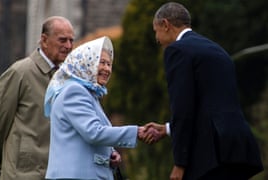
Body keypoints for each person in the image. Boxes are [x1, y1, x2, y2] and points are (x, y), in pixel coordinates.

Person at [143, 2, 264, 180]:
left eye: (156, 30)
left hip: (209, 155)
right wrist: (168, 129)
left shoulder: (177, 51)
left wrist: (180, 163)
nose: (156, 38)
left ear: (166, 25)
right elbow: (210, 106)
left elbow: (183, 109)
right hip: (237, 149)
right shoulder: (218, 50)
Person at [0, 16, 74, 180]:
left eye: (71, 41)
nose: (68, 46)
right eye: (62, 40)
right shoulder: (20, 72)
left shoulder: (68, 79)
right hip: (21, 175)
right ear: (44, 40)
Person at [44, 36, 146, 180]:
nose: (107, 69)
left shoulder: (88, 93)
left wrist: (110, 152)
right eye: (102, 62)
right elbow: (93, 132)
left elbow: (82, 135)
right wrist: (136, 132)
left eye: (109, 64)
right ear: (86, 62)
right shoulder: (74, 92)